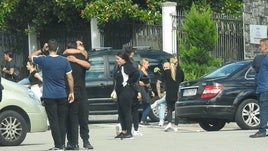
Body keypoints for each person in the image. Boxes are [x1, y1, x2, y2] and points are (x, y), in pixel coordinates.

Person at [30, 39, 74, 150]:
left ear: (48, 48)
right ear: (58, 48)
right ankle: (62, 144)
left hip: (49, 95)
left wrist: (41, 50)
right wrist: (72, 92)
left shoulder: (44, 60)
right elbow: (69, 77)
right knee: (61, 120)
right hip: (61, 94)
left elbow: (31, 56)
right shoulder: (64, 61)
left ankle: (58, 145)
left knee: (53, 120)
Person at [64, 41, 93, 150]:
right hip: (78, 90)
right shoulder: (79, 55)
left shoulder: (71, 57)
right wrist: (80, 50)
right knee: (82, 118)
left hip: (70, 90)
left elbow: (88, 64)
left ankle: (73, 142)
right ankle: (82, 141)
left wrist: (75, 59)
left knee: (72, 118)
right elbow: (88, 63)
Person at [114, 51, 140, 139]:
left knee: (126, 112)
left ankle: (129, 132)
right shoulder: (120, 67)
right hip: (120, 92)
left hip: (126, 92)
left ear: (124, 59)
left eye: (118, 59)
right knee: (121, 112)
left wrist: (129, 82)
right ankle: (124, 131)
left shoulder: (127, 66)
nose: (117, 61)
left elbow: (136, 74)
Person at [158, 57, 184, 132]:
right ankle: (176, 125)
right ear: (177, 63)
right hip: (177, 92)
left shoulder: (166, 72)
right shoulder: (180, 72)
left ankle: (169, 122)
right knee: (177, 110)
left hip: (169, 92)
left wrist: (160, 92)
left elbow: (159, 81)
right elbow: (182, 81)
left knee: (169, 108)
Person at [249, 38, 268, 138]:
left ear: (266, 46)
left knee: (264, 109)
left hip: (264, 88)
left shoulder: (260, 58)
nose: (259, 47)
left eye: (261, 45)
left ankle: (262, 131)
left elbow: (253, 68)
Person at [150, 61, 171, 126]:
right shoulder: (164, 74)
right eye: (164, 67)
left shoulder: (173, 73)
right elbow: (158, 82)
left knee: (163, 102)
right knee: (163, 104)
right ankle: (161, 120)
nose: (165, 69)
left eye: (167, 67)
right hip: (166, 91)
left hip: (173, 91)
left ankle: (157, 102)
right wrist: (159, 93)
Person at [139, 58, 155, 125]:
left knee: (145, 106)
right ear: (143, 64)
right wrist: (140, 83)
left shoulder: (146, 72)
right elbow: (137, 81)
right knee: (148, 105)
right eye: (147, 64)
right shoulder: (140, 72)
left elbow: (148, 82)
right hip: (143, 90)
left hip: (147, 89)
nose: (148, 65)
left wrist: (151, 91)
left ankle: (144, 120)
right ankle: (142, 120)